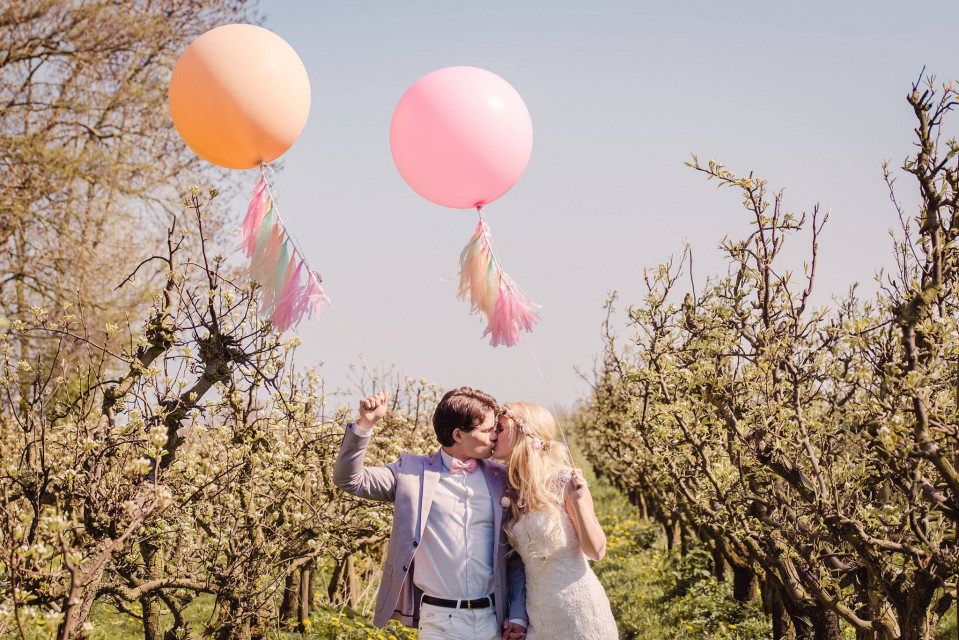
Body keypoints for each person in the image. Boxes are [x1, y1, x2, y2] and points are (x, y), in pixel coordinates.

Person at [333, 387, 528, 640]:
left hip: (492, 619)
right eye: (487, 430)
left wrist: (518, 615)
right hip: (439, 622)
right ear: (458, 434)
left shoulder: (502, 478)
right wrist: (365, 425)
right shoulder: (411, 473)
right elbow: (349, 480)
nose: (494, 437)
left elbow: (514, 555)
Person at [493, 402, 618, 640]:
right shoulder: (511, 488)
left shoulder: (565, 480)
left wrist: (579, 501)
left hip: (579, 611)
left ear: (523, 431)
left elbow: (597, 551)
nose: (493, 435)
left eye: (500, 428)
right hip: (539, 618)